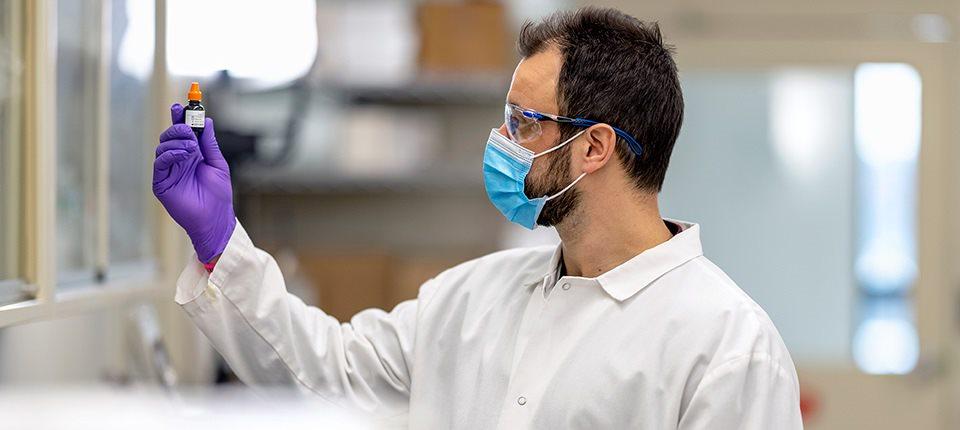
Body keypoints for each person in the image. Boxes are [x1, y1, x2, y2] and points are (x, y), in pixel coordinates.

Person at [152, 6, 802, 429]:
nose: (499, 139)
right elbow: (330, 371)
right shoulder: (471, 297)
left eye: (523, 122)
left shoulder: (727, 345)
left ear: (595, 147)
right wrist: (217, 241)